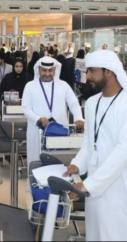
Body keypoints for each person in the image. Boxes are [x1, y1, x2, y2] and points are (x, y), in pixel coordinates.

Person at [64, 50, 127, 241]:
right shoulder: (91, 103)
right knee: (95, 234)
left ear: (109, 72)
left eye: (92, 71)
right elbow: (89, 142)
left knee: (114, 233)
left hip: (118, 187)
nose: (88, 77)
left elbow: (122, 152)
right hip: (94, 184)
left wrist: (89, 184)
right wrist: (77, 164)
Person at [21, 57, 84, 165]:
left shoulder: (63, 85)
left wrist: (78, 117)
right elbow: (25, 108)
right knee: (36, 165)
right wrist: (38, 119)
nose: (47, 73)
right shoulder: (30, 86)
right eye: (44, 70)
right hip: (37, 131)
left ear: (55, 70)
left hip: (59, 131)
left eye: (50, 70)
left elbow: (74, 104)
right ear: (38, 69)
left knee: (60, 165)